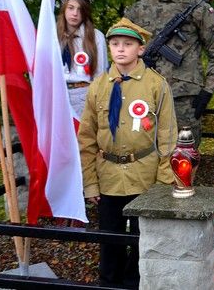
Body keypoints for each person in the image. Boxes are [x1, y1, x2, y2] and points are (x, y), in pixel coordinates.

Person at [78, 17, 177, 287]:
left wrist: (163, 182)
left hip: (144, 175)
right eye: (115, 44)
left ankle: (135, 283)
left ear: (140, 49)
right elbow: (86, 139)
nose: (120, 49)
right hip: (108, 176)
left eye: (128, 44)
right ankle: (110, 283)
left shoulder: (156, 85)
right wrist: (90, 183)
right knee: (110, 240)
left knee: (144, 239)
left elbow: (167, 136)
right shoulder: (98, 86)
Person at [125, 0, 214, 149]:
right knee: (143, 155)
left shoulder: (198, 9)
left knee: (184, 157)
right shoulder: (137, 10)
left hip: (185, 99)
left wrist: (208, 90)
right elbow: (121, 51)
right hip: (143, 96)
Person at [57, 0, 108, 120]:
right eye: (71, 8)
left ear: (85, 12)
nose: (75, 13)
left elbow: (101, 75)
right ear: (64, 9)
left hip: (83, 96)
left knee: (82, 133)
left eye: (80, 9)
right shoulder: (53, 36)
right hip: (57, 95)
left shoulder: (95, 36)